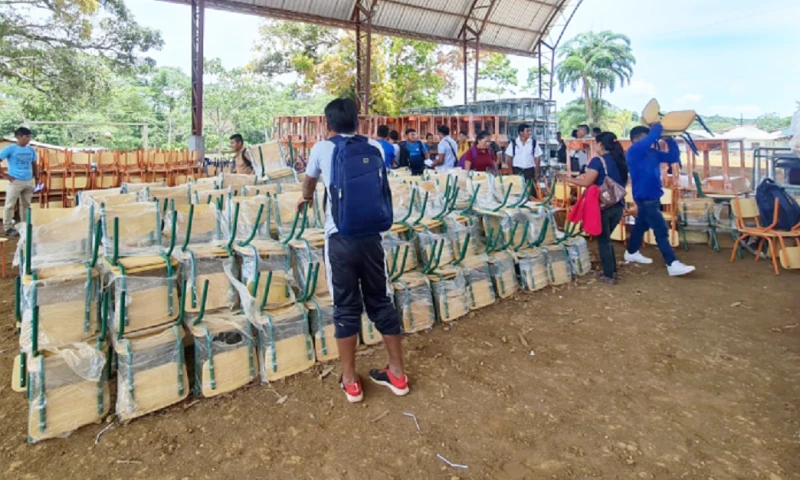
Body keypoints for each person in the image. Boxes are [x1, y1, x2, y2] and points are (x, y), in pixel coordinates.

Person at [298, 98, 408, 403]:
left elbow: (309, 184)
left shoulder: (322, 149)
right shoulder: (373, 147)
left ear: (327, 123)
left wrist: (306, 198)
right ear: (357, 123)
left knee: (346, 306)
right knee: (381, 301)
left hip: (340, 239)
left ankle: (350, 380)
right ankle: (397, 374)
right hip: (373, 237)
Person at [625, 123, 695, 277]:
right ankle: (672, 263)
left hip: (651, 196)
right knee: (661, 230)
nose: (651, 140)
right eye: (646, 138)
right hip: (645, 196)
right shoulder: (634, 151)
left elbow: (673, 157)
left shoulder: (652, 153)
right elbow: (652, 136)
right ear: (637, 139)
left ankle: (631, 251)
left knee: (640, 226)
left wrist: (669, 140)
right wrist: (658, 126)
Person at [559, 132, 628, 284]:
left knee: (603, 241)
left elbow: (586, 182)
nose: (595, 146)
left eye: (596, 143)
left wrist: (566, 178)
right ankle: (612, 270)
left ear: (601, 145)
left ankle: (609, 275)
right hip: (618, 204)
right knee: (606, 239)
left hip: (603, 205)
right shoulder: (620, 160)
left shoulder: (597, 161)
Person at [1, 127, 38, 237]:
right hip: (15, 180)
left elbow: (34, 164)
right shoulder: (10, 149)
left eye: (30, 137)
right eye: (27, 137)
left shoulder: (31, 150)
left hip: (29, 180)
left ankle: (25, 226)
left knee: (26, 205)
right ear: (19, 137)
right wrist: (4, 175)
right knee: (9, 205)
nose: (29, 139)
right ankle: (8, 228)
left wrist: (37, 178)